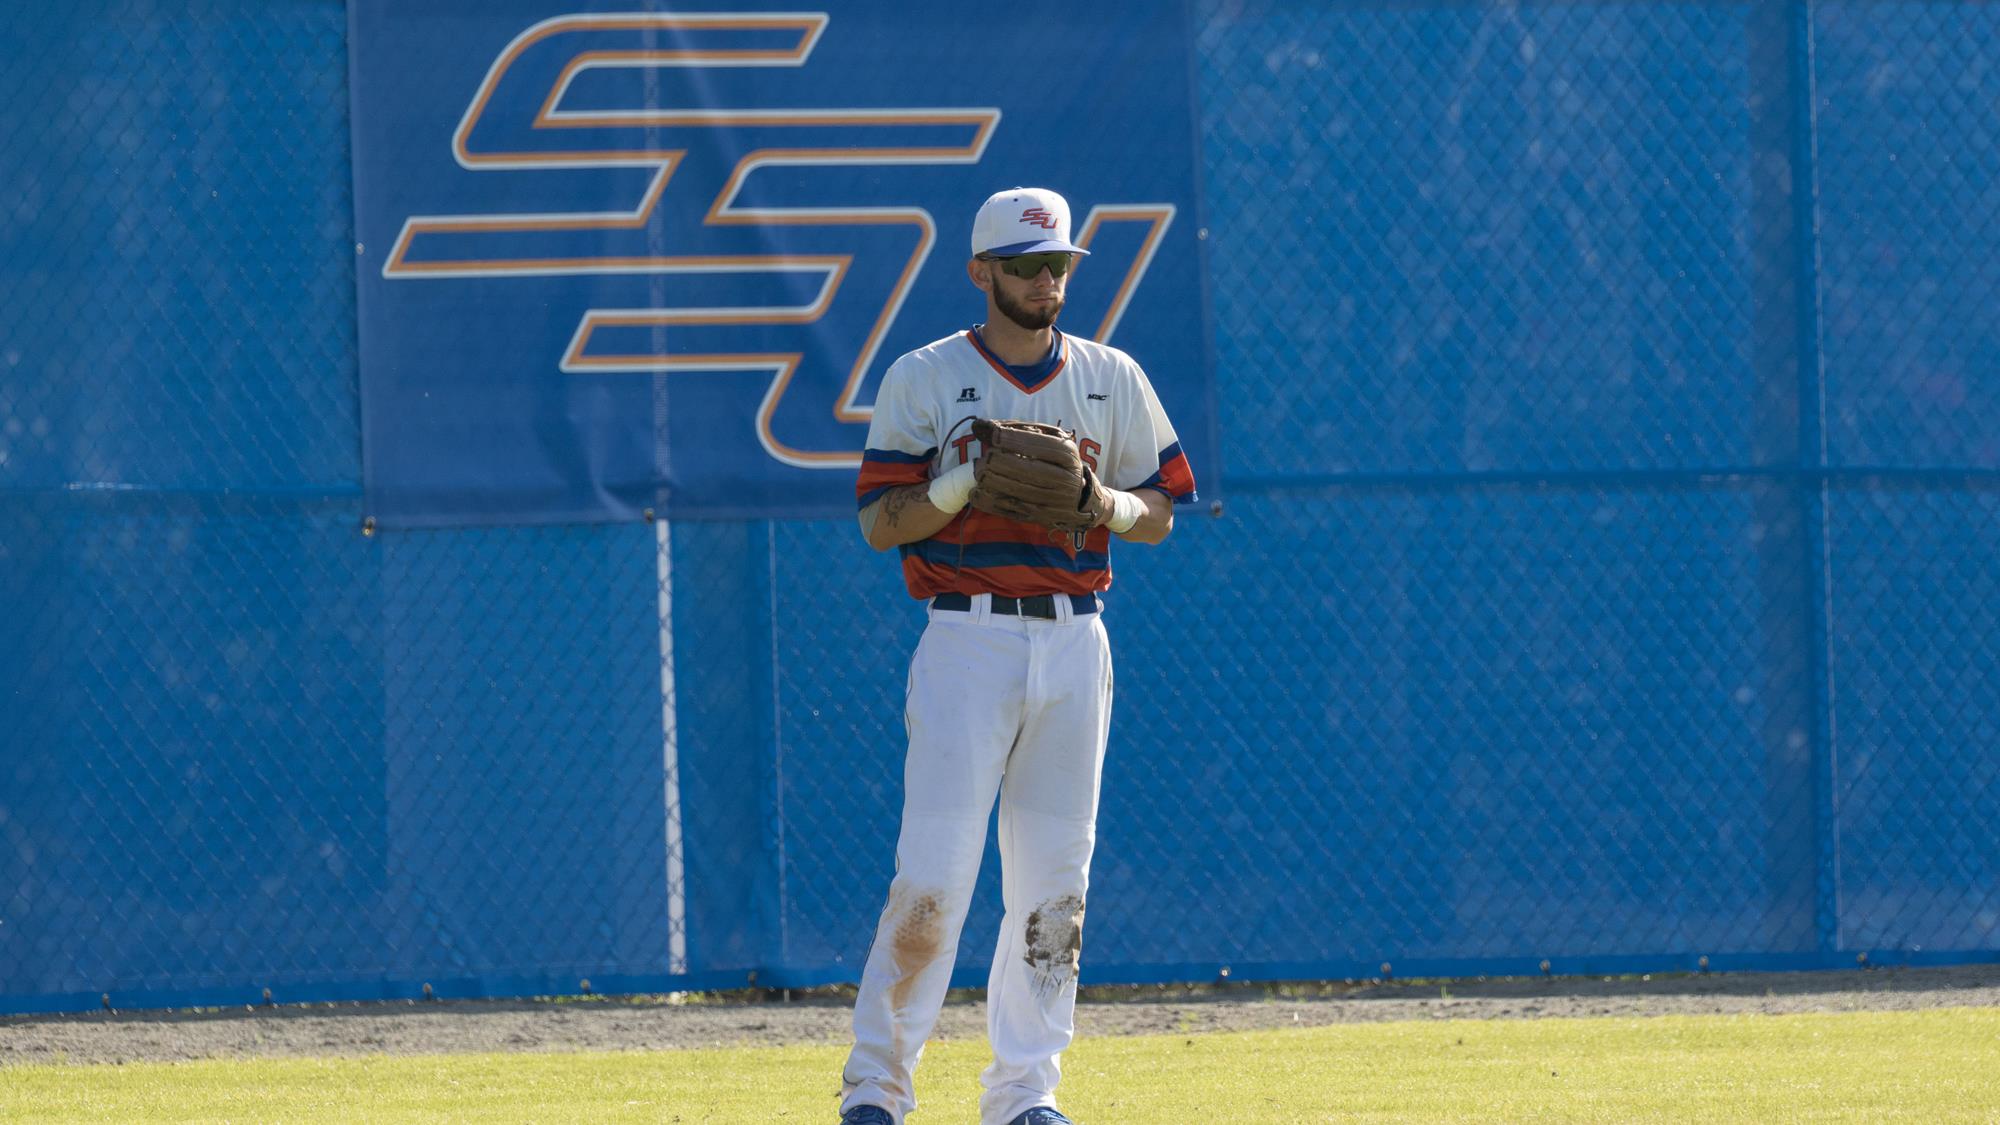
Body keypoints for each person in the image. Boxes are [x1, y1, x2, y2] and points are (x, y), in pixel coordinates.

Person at [840, 187, 1197, 1125]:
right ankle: (876, 1088)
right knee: (932, 877)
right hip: (966, 635)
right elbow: (882, 522)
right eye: (1029, 266)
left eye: (1060, 266)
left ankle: (1024, 1095)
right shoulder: (924, 375)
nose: (1048, 281)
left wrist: (1102, 504)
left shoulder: (1110, 375)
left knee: (1055, 885)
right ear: (981, 271)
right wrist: (960, 482)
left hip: (1076, 636)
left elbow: (1161, 508)